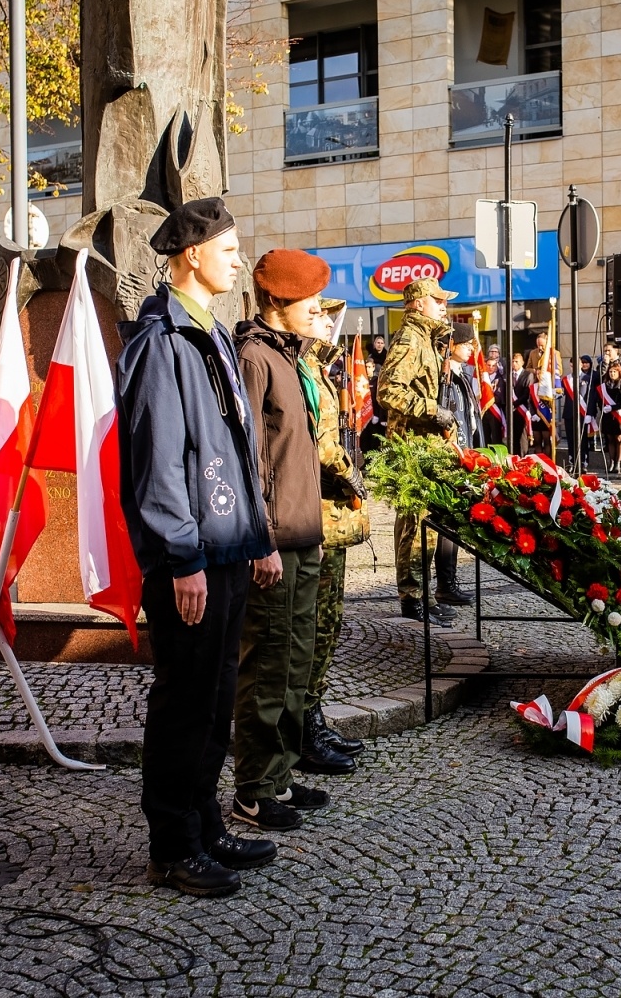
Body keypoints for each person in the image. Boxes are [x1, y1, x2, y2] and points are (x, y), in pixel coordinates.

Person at [115, 197, 277, 897]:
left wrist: (258, 538)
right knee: (183, 705)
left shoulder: (210, 333)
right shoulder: (162, 341)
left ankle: (205, 824)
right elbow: (159, 462)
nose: (239, 260)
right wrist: (181, 558)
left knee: (215, 704)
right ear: (189, 256)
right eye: (228, 248)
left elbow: (234, 455)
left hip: (227, 549)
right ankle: (172, 846)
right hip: (192, 561)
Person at [232, 248, 349, 829]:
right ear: (279, 301)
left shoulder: (290, 355)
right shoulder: (255, 357)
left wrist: (315, 531)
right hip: (274, 539)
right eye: (310, 300)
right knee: (267, 667)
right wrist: (261, 541)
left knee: (296, 662)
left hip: (304, 534)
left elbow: (299, 458)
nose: (318, 310)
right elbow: (248, 461)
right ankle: (253, 788)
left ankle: (279, 775)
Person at [307, 300, 369, 766]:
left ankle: (313, 717)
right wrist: (353, 477)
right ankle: (306, 728)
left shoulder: (317, 366)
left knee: (327, 626)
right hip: (316, 517)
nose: (331, 322)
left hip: (328, 516)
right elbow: (322, 447)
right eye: (323, 314)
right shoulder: (304, 366)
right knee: (314, 627)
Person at [377, 276, 457, 626]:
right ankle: (412, 599)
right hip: (411, 446)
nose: (444, 305)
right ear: (418, 302)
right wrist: (432, 410)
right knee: (413, 524)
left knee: (428, 526)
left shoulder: (427, 338)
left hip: (425, 446)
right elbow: (388, 390)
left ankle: (421, 595)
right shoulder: (410, 337)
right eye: (438, 300)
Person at [435, 321, 482, 604]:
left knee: (454, 523)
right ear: (452, 346)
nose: (470, 349)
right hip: (451, 456)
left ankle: (449, 581)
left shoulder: (462, 376)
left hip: (466, 455)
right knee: (446, 524)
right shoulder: (445, 378)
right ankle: (445, 583)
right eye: (466, 344)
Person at [598, 358, 621, 475]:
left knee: (619, 439)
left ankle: (618, 463)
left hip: (619, 415)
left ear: (619, 372)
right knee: (610, 439)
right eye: (610, 372)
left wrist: (613, 407)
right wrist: (603, 408)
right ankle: (611, 462)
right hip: (607, 416)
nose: (612, 374)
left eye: (614, 372)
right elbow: (599, 399)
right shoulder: (605, 385)